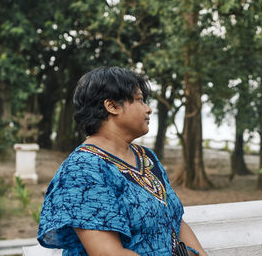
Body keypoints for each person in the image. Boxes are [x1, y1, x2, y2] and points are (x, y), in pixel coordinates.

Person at [37, 67, 207, 256]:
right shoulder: (83, 169)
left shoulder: (147, 158)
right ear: (112, 106)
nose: (148, 109)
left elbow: (175, 221)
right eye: (140, 100)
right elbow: (108, 253)